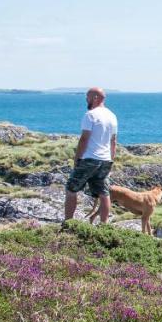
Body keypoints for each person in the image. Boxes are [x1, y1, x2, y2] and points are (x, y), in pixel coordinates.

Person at [63, 87, 118, 224]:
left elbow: (84, 139)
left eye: (87, 97)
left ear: (95, 98)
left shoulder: (90, 115)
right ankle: (104, 225)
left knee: (71, 189)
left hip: (89, 158)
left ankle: (69, 222)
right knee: (104, 192)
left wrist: (77, 159)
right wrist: (111, 160)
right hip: (105, 160)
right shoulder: (112, 116)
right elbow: (113, 141)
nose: (86, 100)